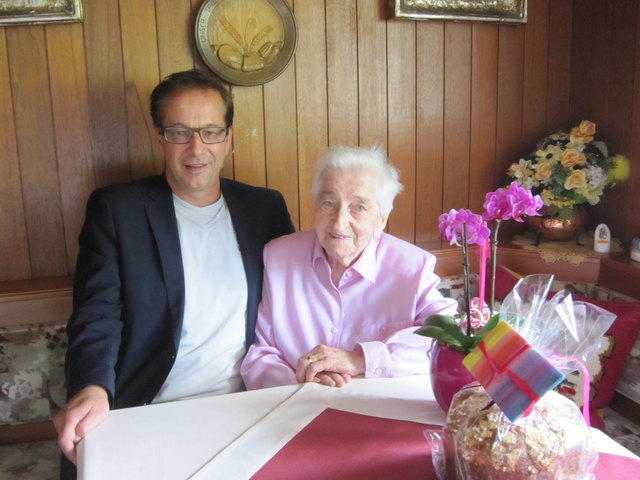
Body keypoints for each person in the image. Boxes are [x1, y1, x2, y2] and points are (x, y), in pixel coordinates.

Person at [54, 69, 294, 475]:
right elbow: (97, 315)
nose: (196, 148)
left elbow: (298, 298)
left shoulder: (264, 209)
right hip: (149, 409)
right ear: (159, 136)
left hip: (249, 406)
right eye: (180, 132)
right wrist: (92, 386)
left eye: (211, 131)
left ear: (229, 137)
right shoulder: (118, 211)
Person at [240, 145, 457, 390]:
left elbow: (448, 341)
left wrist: (361, 359)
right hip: (295, 405)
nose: (339, 221)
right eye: (329, 203)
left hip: (380, 410)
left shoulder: (412, 267)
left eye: (359, 207)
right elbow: (262, 354)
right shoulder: (279, 257)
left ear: (381, 219)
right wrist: (300, 383)